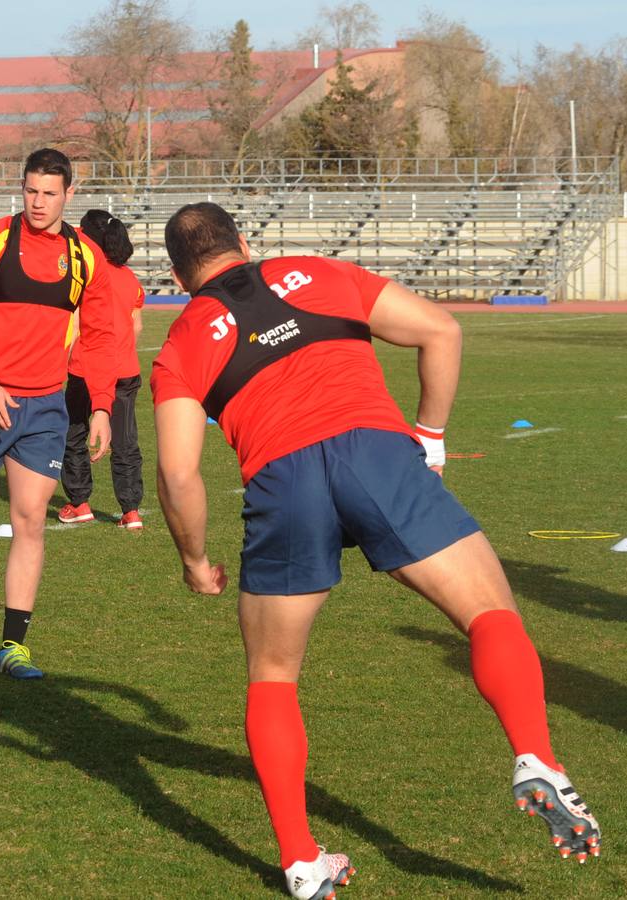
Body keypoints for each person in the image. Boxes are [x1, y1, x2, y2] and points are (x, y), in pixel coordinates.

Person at [151, 202, 600, 899]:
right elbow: (440, 330)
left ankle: (301, 861)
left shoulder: (181, 340)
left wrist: (191, 558)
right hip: (373, 453)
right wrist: (429, 436)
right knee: (487, 611)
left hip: (281, 483)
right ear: (245, 242)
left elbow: (177, 473)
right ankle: (534, 755)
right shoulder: (315, 272)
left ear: (180, 278)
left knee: (272, 674)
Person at [0, 147, 116, 679]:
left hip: (46, 409)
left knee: (30, 520)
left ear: (69, 194)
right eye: (31, 190)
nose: (38, 202)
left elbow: (100, 339)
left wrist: (100, 405)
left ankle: (13, 645)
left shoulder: (85, 258)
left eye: (50, 193)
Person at [58, 209, 145, 530]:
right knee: (125, 441)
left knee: (75, 434)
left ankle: (79, 502)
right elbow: (135, 327)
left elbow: (77, 326)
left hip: (87, 368)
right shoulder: (130, 279)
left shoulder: (86, 275)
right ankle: (131, 510)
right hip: (124, 369)